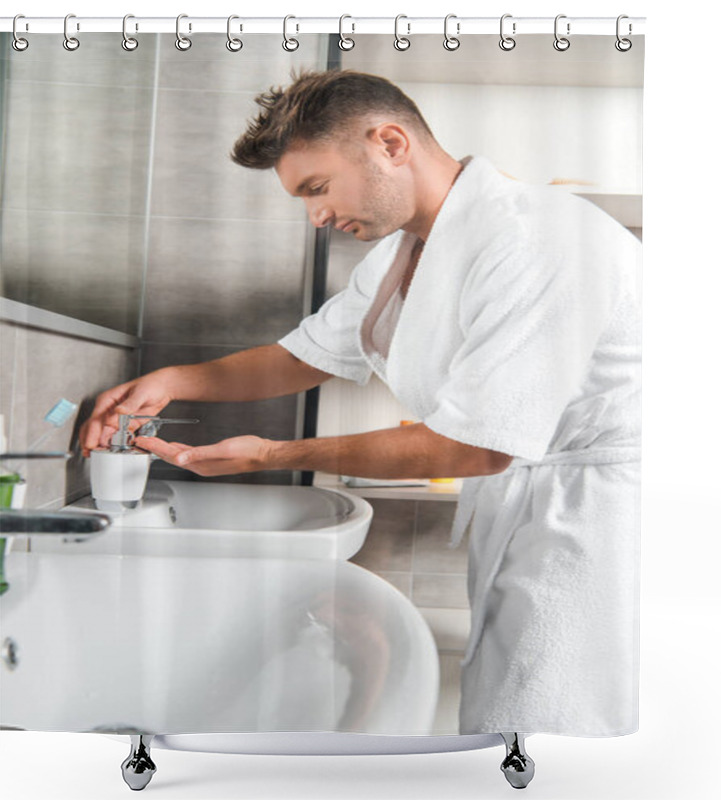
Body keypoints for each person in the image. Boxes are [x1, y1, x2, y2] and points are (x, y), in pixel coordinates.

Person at [80, 70, 641, 737]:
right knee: (511, 721)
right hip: (531, 512)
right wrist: (175, 380)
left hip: (598, 525)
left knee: (556, 735)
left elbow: (478, 445)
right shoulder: (409, 250)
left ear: (390, 144)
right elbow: (303, 356)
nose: (316, 217)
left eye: (316, 188)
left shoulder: (534, 241)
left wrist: (271, 454)